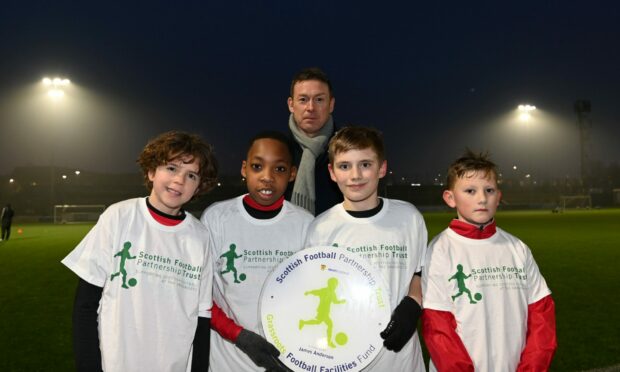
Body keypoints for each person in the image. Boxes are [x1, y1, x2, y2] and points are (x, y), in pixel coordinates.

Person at [61, 130, 218, 372]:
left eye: (192, 175)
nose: (179, 180)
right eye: (172, 168)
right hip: (116, 363)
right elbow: (86, 304)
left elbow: (202, 316)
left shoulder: (200, 237)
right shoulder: (119, 217)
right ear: (152, 171)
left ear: (198, 187)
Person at [304, 126, 427, 371]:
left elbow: (421, 273)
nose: (355, 175)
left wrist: (414, 302)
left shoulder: (408, 218)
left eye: (365, 164)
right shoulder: (320, 228)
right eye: (345, 166)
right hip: (344, 357)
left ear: (381, 168)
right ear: (332, 172)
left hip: (400, 361)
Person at [422, 149, 557, 372]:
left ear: (499, 196)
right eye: (470, 191)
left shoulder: (517, 248)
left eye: (489, 190)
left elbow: (541, 316)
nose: (482, 198)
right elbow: (438, 327)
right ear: (450, 198)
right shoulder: (439, 250)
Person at [201, 131, 313, 371]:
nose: (267, 177)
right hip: (226, 362)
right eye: (257, 166)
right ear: (244, 169)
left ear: (292, 173)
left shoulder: (305, 224)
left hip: (284, 361)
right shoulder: (216, 218)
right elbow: (199, 294)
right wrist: (239, 336)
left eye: (279, 169)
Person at [286, 67, 342, 215]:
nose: (311, 108)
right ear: (291, 105)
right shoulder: (279, 151)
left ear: (331, 104)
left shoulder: (347, 150)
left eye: (319, 100)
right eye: (303, 99)